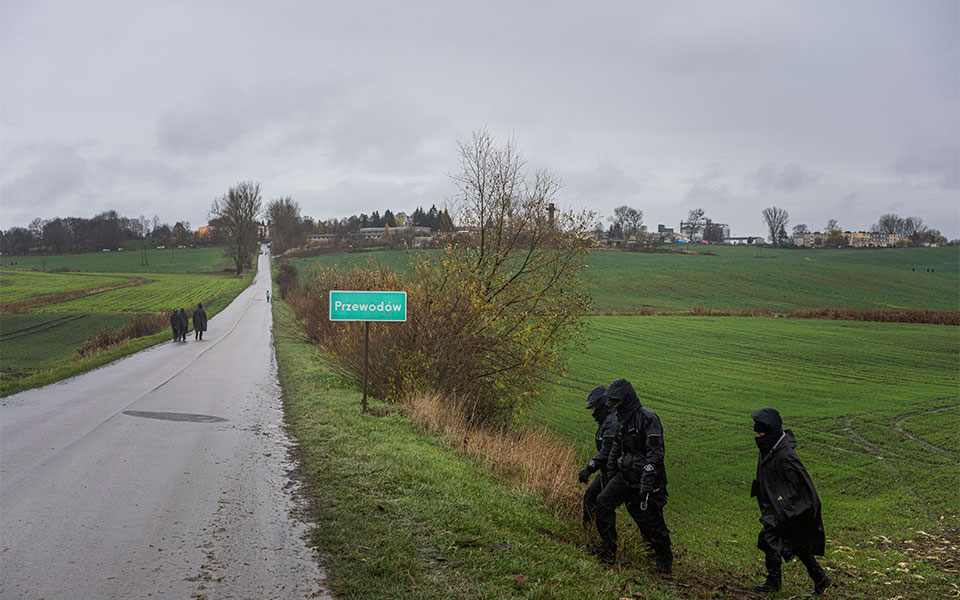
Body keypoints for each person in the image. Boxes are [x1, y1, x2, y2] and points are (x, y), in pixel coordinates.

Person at [590, 378, 673, 574]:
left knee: (652, 520)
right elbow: (616, 447)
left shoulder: (648, 418)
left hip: (648, 479)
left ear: (626, 400)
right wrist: (611, 472)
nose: (612, 406)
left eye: (615, 402)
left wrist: (648, 480)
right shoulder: (621, 418)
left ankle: (663, 560)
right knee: (603, 502)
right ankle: (608, 548)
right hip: (625, 475)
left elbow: (656, 453)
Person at [750, 408, 830, 595]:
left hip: (789, 509)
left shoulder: (786, 455)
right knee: (797, 544)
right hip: (777, 506)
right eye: (756, 433)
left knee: (769, 539)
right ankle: (820, 577)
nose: (757, 436)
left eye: (760, 433)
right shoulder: (769, 448)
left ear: (769, 433)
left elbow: (803, 487)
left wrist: (781, 503)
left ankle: (773, 583)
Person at [579, 386, 617, 527]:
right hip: (608, 471)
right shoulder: (606, 421)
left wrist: (590, 467)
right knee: (591, 496)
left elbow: (607, 451)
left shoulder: (612, 423)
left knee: (604, 503)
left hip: (617, 473)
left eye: (594, 408)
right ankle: (589, 530)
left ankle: (607, 544)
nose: (593, 412)